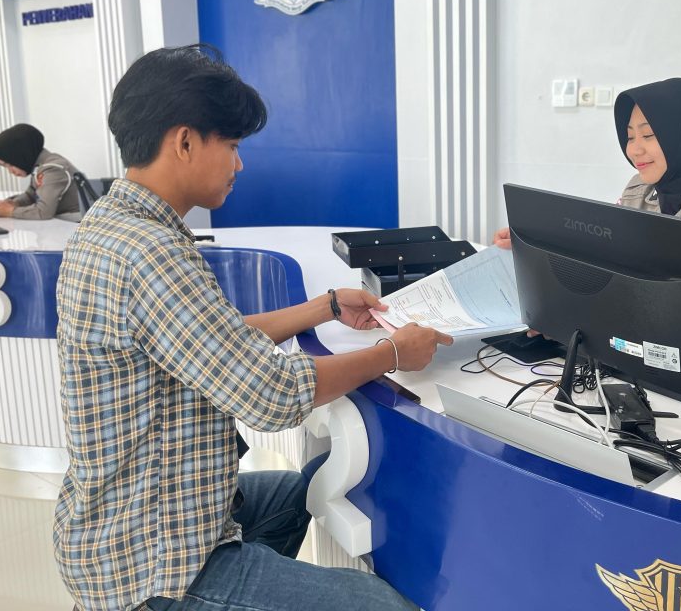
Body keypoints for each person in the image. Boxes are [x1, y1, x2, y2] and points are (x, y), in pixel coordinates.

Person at [53, 44, 452, 611]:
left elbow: (212, 338)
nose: (239, 165)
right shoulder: (151, 252)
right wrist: (393, 352)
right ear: (185, 142)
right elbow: (273, 394)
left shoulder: (112, 226)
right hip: (154, 564)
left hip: (119, 524)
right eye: (233, 146)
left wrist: (323, 307)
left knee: (299, 491)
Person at [495, 77, 681, 365]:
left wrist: (580, 321)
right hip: (656, 356)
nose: (634, 150)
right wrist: (536, 241)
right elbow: (604, 264)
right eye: (630, 136)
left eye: (649, 135)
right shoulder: (638, 191)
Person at [0, 123, 82, 221]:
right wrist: (14, 203)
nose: (10, 171)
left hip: (74, 223)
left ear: (22, 154)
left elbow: (43, 212)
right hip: (63, 220)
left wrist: (10, 211)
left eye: (10, 164)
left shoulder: (53, 169)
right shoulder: (39, 166)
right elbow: (31, 196)